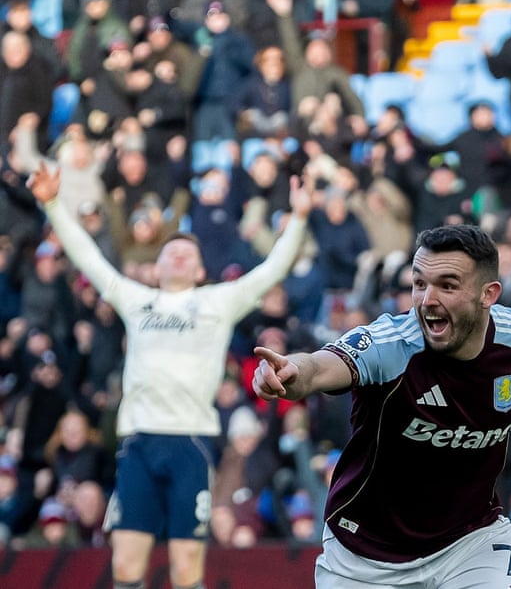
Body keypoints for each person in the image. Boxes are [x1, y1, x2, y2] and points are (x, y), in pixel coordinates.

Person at [251, 225, 511, 588]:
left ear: (489, 294)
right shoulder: (390, 343)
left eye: (447, 285)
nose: (427, 300)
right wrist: (292, 375)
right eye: (419, 283)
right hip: (365, 554)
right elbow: (323, 367)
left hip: (470, 542)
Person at [27, 163, 313, 589]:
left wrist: (301, 218)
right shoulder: (135, 299)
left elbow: (272, 270)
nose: (179, 254)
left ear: (200, 271)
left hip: (191, 442)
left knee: (186, 570)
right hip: (139, 441)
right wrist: (51, 202)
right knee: (125, 567)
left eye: (189, 253)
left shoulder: (219, 301)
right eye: (171, 251)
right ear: (156, 267)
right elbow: (88, 254)